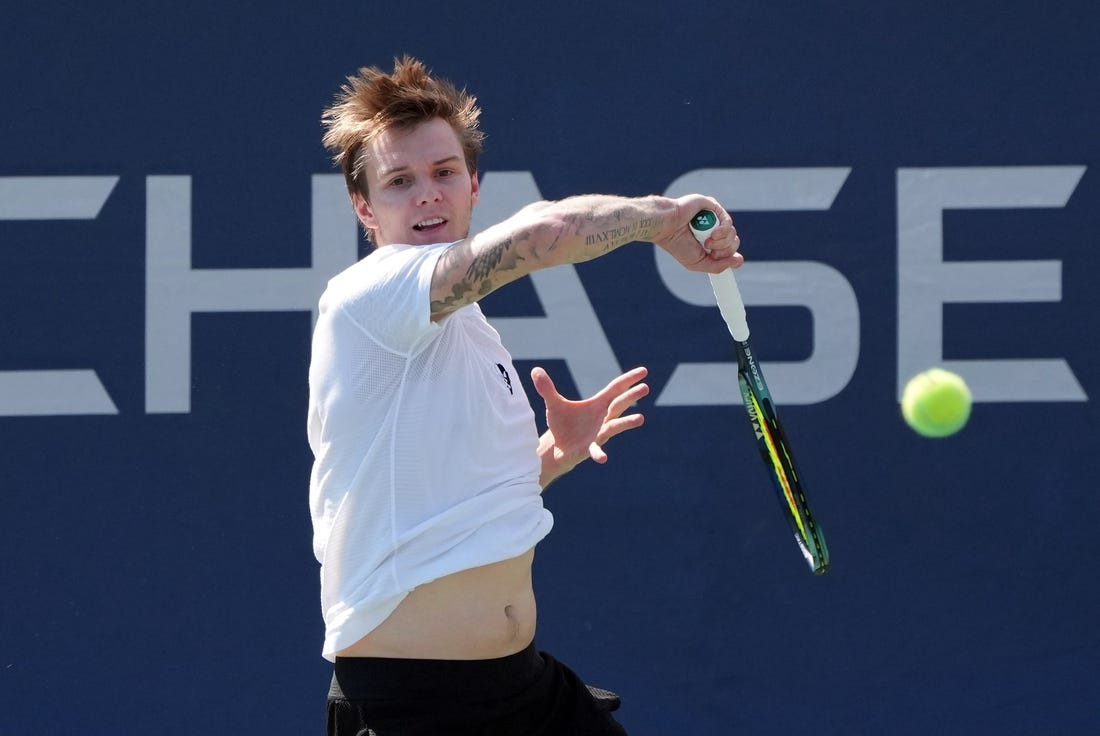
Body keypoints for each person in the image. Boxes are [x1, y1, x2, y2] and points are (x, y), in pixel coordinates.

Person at [308, 55, 743, 736]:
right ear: (365, 206)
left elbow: (446, 511)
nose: (427, 194)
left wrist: (549, 457)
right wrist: (664, 219)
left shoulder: (465, 329)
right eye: (399, 182)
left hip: (525, 689)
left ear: (473, 186)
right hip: (412, 706)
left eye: (444, 173)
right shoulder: (371, 296)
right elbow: (541, 235)